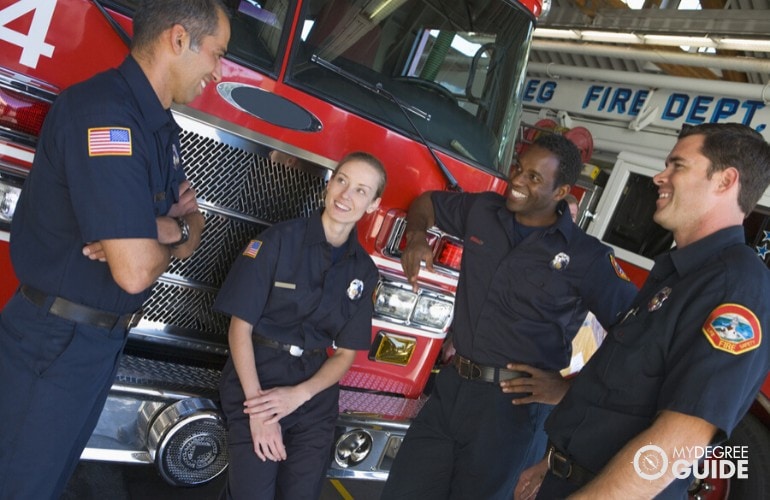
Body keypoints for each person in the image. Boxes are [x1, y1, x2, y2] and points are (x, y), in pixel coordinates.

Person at [0, 1, 229, 498]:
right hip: (55, 343)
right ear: (178, 39)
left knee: (47, 483)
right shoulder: (105, 116)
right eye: (217, 53)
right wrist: (165, 232)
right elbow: (135, 270)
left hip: (95, 345)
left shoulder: (161, 130)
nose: (218, 70)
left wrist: (164, 230)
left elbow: (193, 229)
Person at [516, 123, 770, 499]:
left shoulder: (735, 287)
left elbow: (682, 439)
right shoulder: (677, 272)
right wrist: (551, 462)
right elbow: (632, 383)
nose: (659, 177)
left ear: (725, 181)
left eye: (677, 166)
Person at [380, 134, 638, 500]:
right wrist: (418, 234)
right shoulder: (483, 211)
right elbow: (426, 203)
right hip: (451, 390)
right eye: (518, 168)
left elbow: (636, 335)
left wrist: (570, 388)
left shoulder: (588, 258)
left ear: (562, 191)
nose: (516, 180)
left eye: (534, 177)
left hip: (511, 413)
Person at [215, 152, 387, 499]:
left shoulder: (363, 272)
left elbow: (345, 354)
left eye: (360, 190)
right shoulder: (277, 241)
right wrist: (259, 411)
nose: (345, 196)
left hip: (313, 393)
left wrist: (299, 395)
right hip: (258, 380)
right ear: (330, 181)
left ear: (373, 204)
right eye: (342, 181)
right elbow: (240, 328)